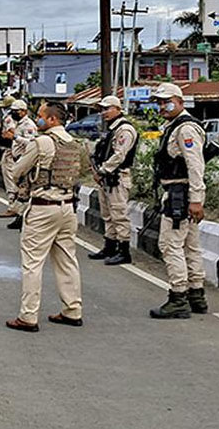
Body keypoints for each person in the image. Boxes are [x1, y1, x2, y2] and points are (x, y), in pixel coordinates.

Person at [6, 101, 83, 333]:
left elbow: (16, 170)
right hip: (68, 207)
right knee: (67, 260)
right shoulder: (74, 144)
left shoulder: (42, 143)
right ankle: (72, 310)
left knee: (32, 263)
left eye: (40, 116)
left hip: (42, 208)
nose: (37, 119)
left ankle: (28, 316)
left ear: (52, 120)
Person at [148, 83, 209, 319]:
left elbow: (196, 166)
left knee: (170, 245)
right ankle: (196, 295)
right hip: (182, 194)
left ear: (180, 101)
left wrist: (196, 200)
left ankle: (178, 297)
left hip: (179, 195)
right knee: (190, 246)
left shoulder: (185, 129)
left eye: (167, 101)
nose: (162, 106)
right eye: (160, 102)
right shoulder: (175, 126)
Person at [88, 96, 139, 266]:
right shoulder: (112, 129)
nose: (104, 113)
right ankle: (109, 247)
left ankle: (124, 251)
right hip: (107, 177)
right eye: (102, 109)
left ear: (118, 109)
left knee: (119, 215)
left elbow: (119, 155)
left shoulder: (124, 129)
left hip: (117, 176)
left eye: (107, 108)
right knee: (107, 214)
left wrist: (103, 170)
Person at [4, 99, 38, 230]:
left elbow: (31, 143)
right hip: (17, 158)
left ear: (24, 111)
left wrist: (14, 138)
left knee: (24, 190)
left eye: (16, 111)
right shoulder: (19, 123)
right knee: (21, 190)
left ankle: (23, 217)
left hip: (25, 160)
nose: (13, 114)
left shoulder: (28, 125)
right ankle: (20, 216)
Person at [0, 96, 17, 216]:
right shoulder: (18, 118)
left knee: (9, 179)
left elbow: (12, 132)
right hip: (15, 152)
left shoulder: (9, 119)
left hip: (10, 151)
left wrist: (5, 136)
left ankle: (12, 207)